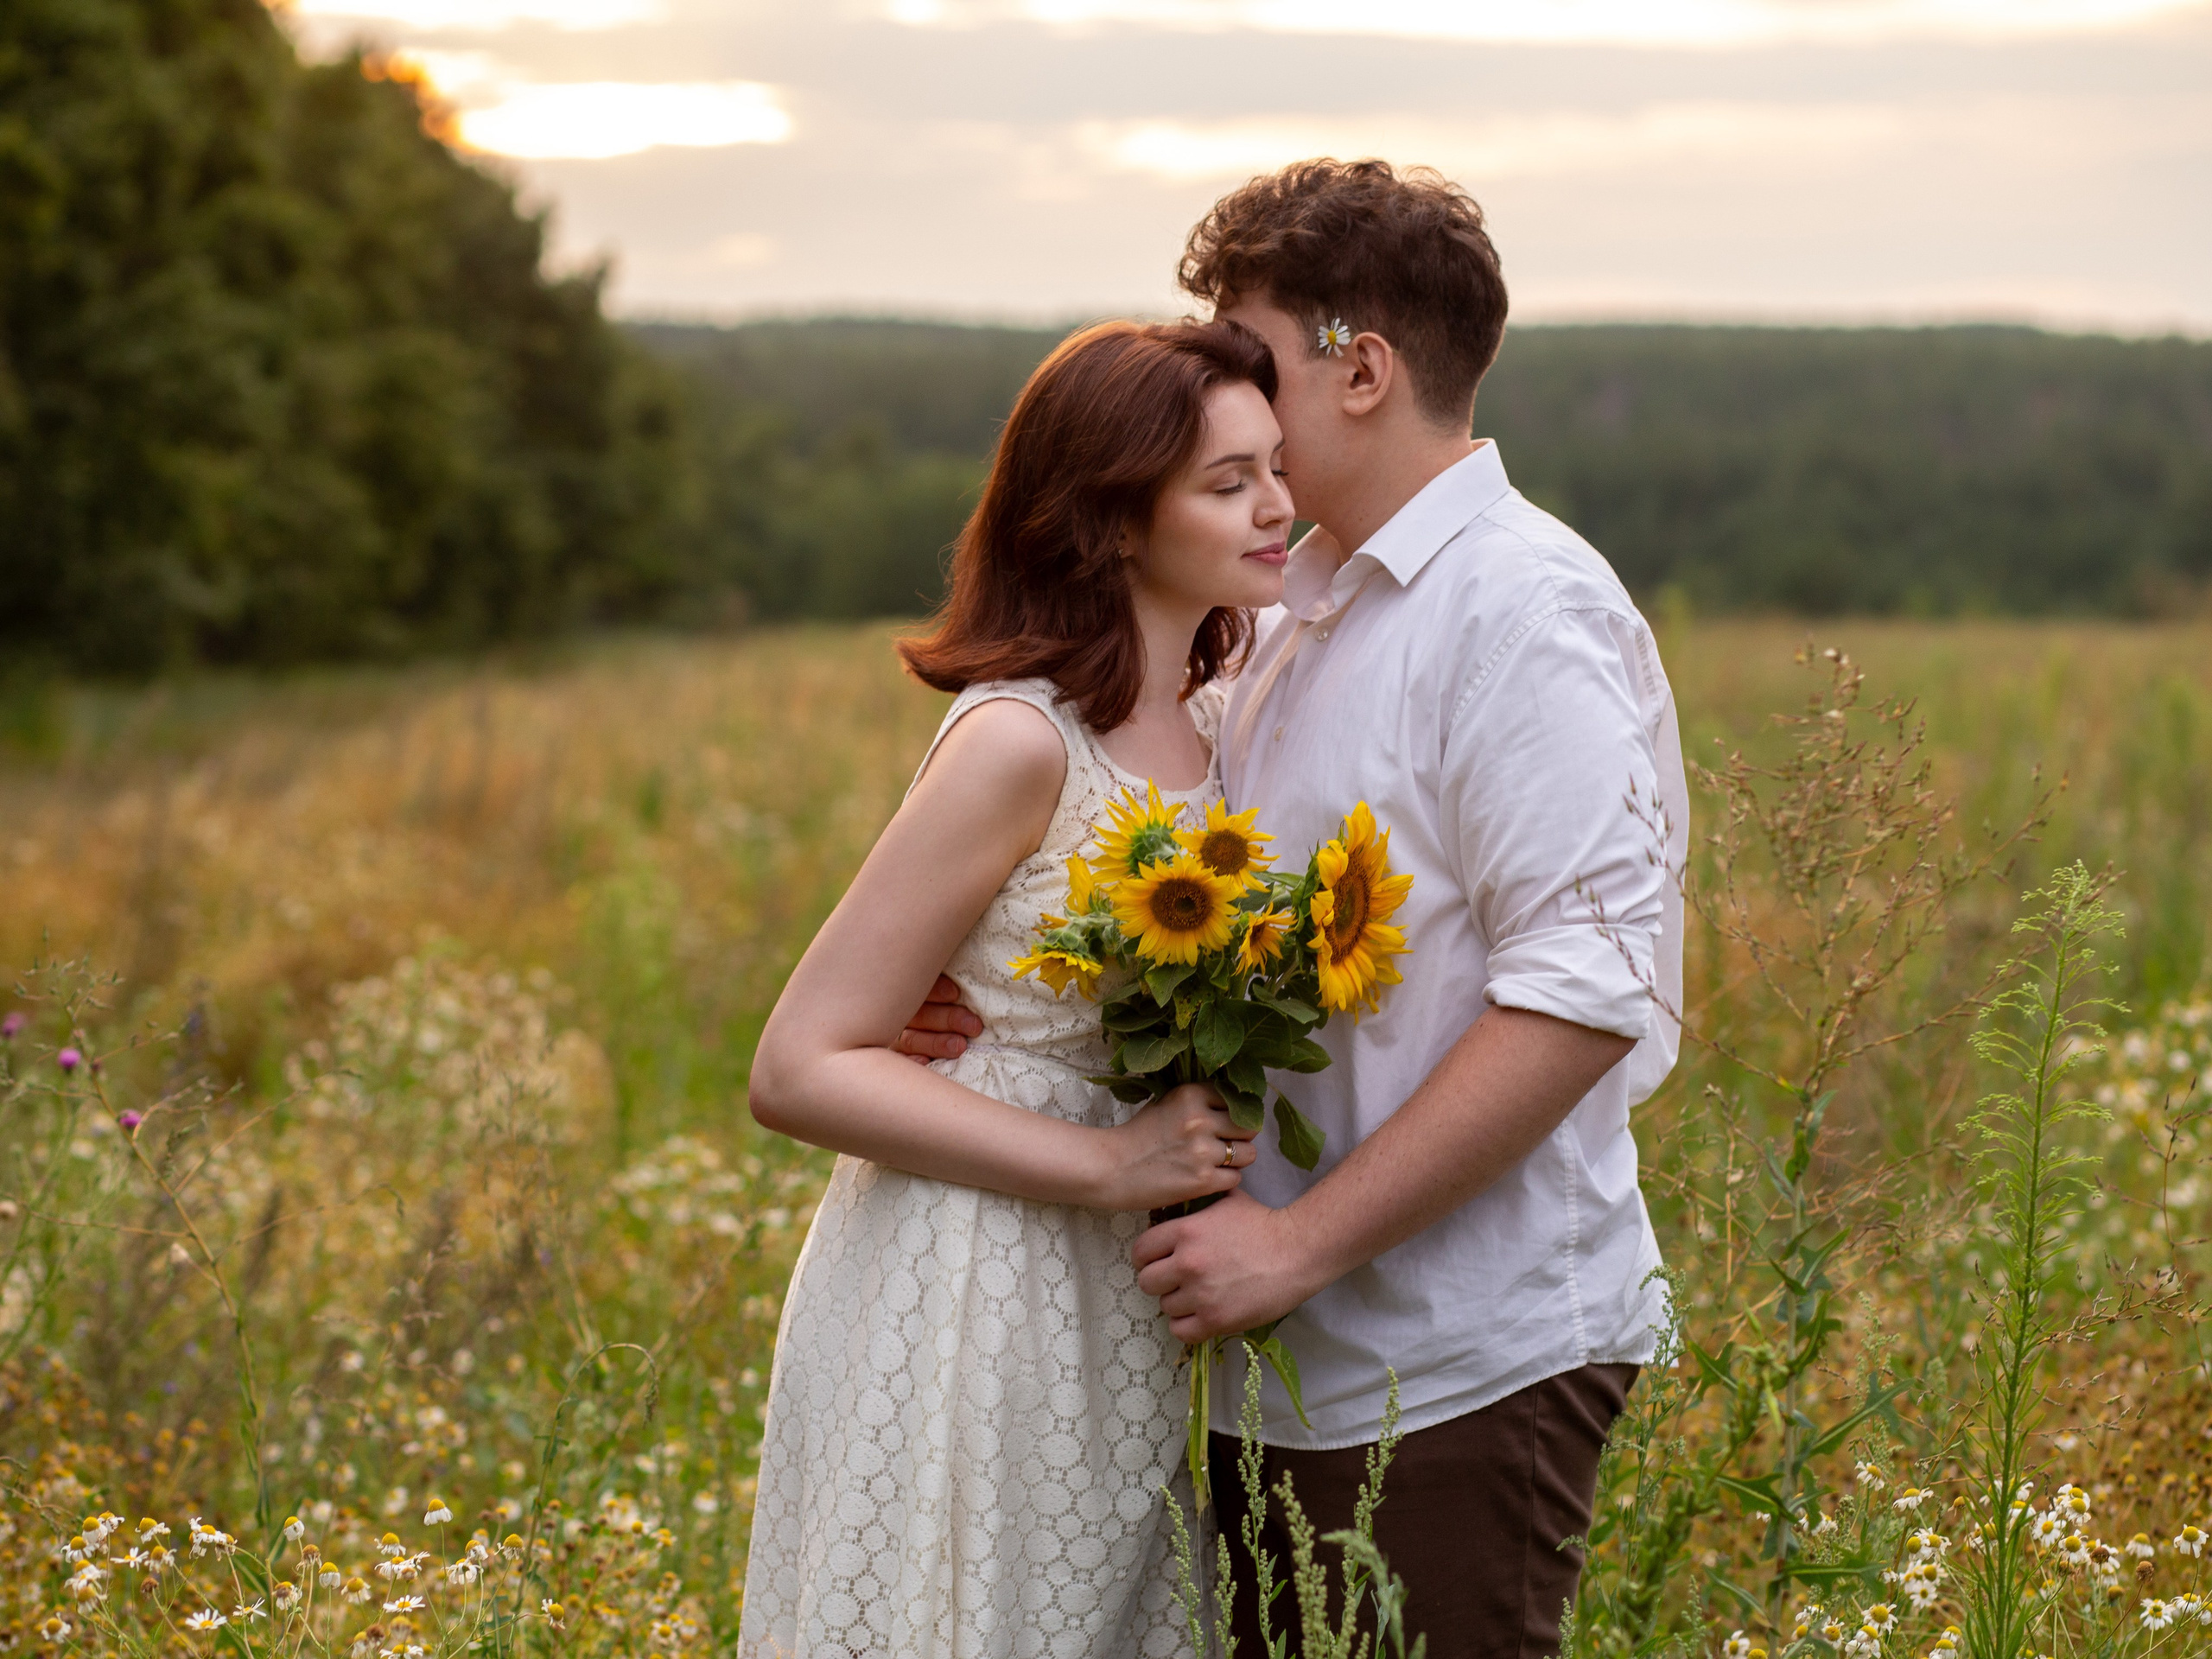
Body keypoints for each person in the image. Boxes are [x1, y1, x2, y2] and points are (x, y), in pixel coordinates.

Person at [901, 160, 1690, 1659]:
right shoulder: (1275, 609)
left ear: (1364, 368)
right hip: (1262, 1359)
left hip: (1459, 1357)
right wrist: (994, 1009)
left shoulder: (1526, 614)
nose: (1217, 388)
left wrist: (1300, 1244)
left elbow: (1583, 993)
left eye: (1250, 353)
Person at [739, 318, 1296, 1659]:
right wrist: (1104, 1167)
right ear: (1110, 520)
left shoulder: (1231, 721)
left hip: (1132, 1290)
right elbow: (801, 1062)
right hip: (973, 1276)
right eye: (1228, 482)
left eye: (1276, 467)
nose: (1279, 505)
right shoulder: (1018, 739)